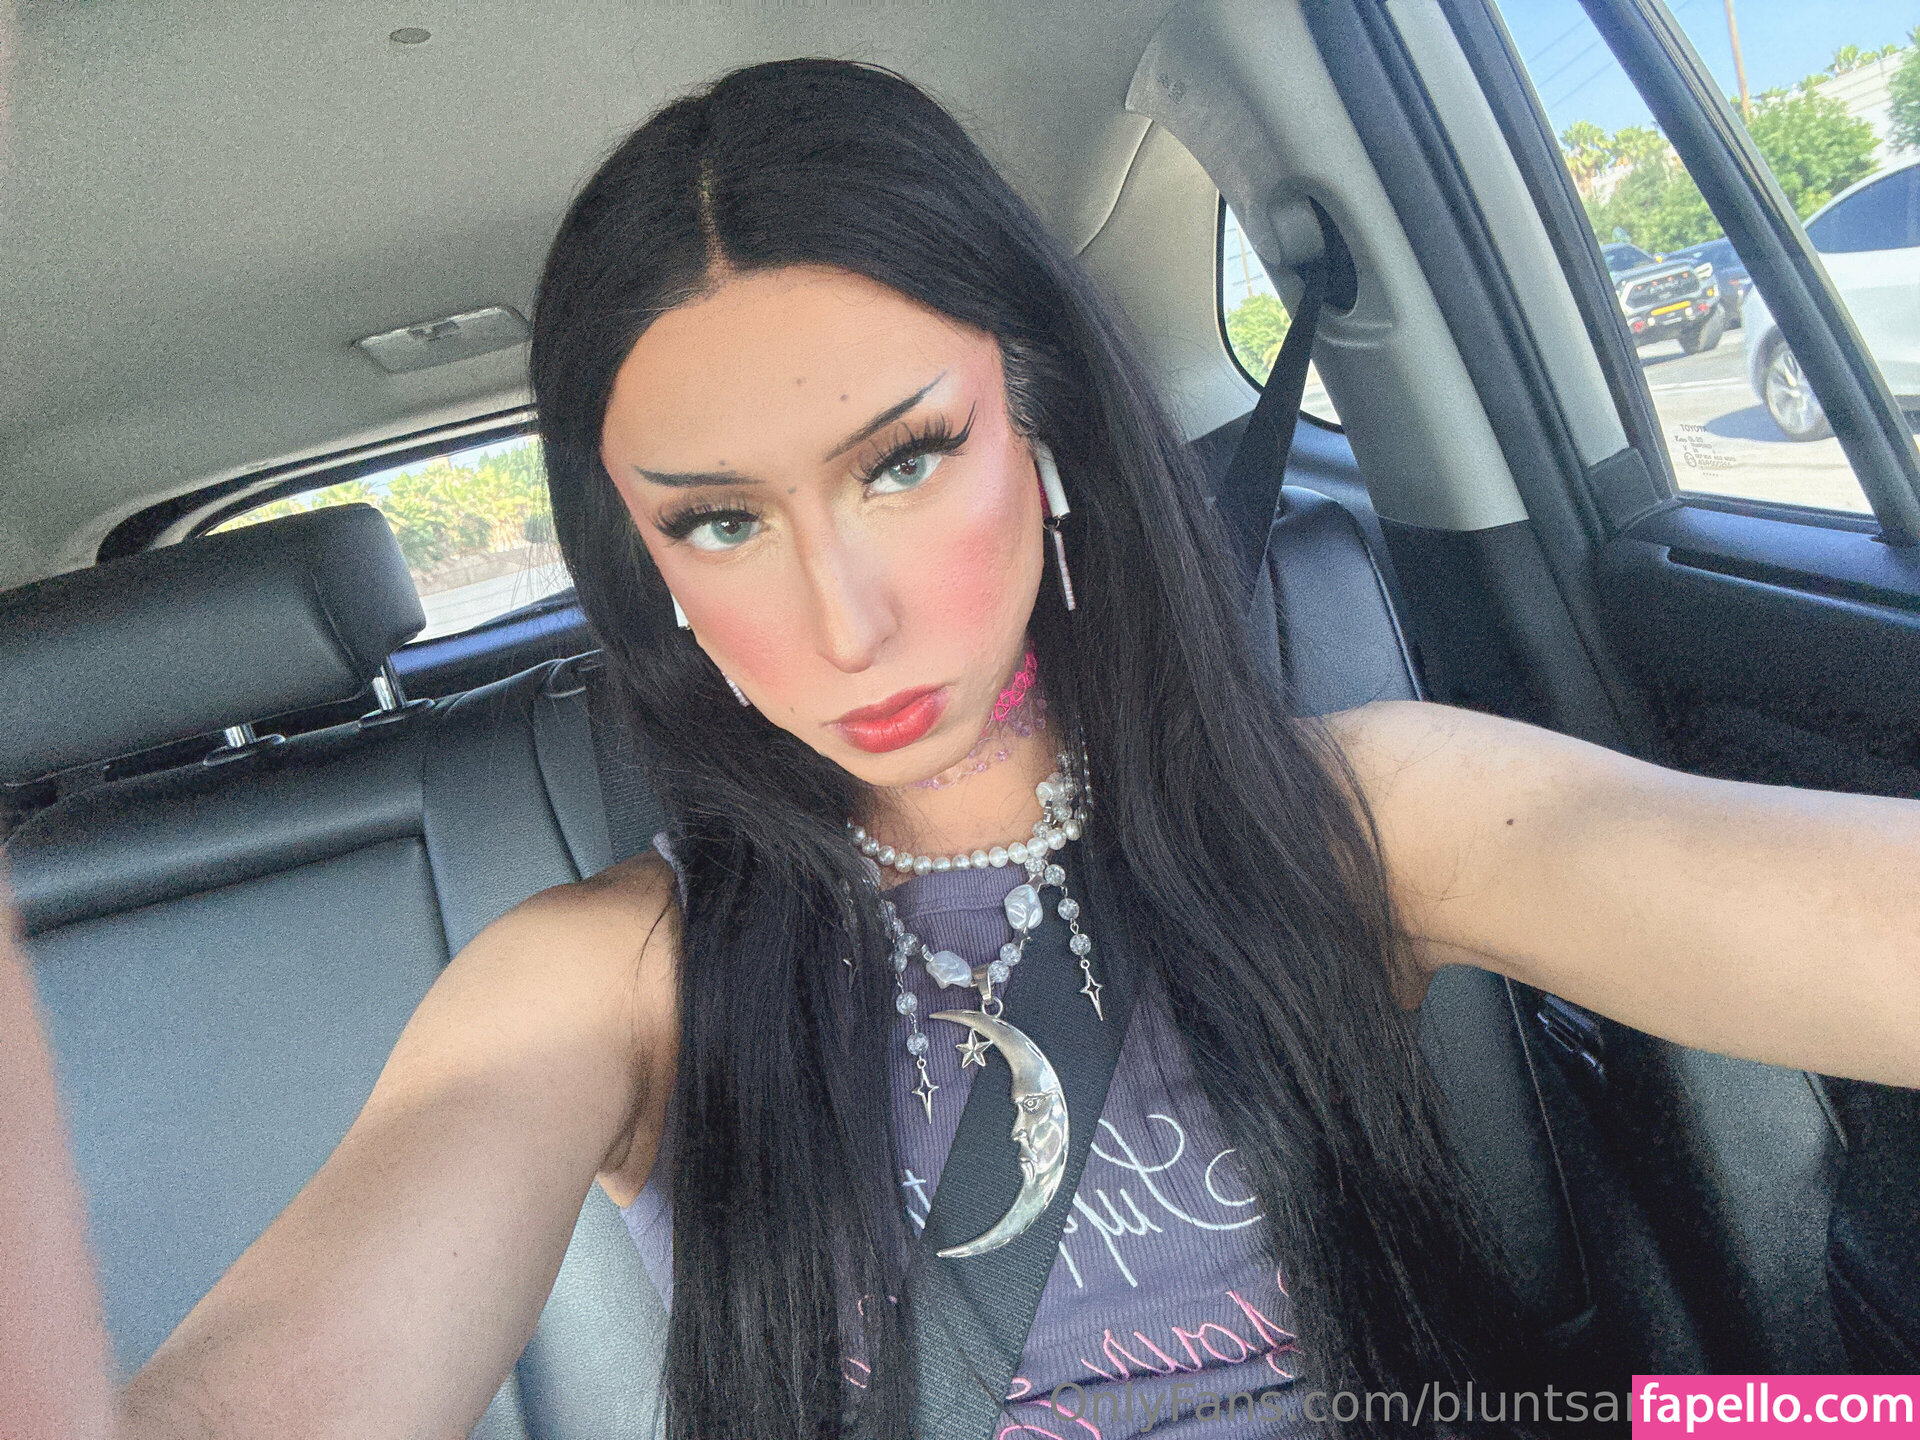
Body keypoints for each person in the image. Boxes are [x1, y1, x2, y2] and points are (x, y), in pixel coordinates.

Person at [14, 56, 1917, 1440]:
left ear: (1044, 423)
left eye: (905, 461)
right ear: (647, 565)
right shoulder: (603, 982)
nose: (845, 622)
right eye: (720, 521)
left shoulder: (1368, 813)